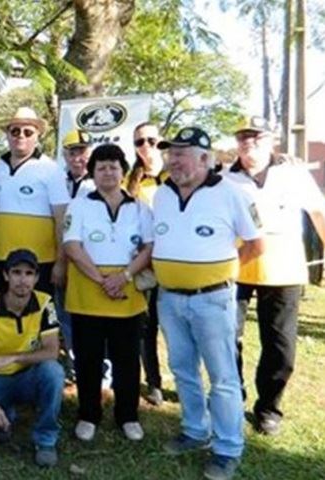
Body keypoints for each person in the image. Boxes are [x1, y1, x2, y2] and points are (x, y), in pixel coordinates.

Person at [152, 127, 264, 480]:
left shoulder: (231, 193)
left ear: (204, 158)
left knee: (223, 376)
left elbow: (255, 244)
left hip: (213, 299)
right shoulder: (162, 194)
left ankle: (228, 447)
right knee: (183, 369)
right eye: (171, 153)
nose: (174, 159)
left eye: (182, 153)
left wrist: (222, 276)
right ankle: (195, 430)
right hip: (169, 299)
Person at [222, 116, 325, 435]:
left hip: (284, 268)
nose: (248, 142)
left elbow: (318, 213)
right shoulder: (225, 178)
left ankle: (269, 406)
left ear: (271, 141)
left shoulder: (293, 174)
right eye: (242, 137)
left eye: (256, 137)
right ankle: (232, 399)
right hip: (236, 266)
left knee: (280, 345)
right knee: (228, 337)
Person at [64, 143, 153, 442]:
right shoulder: (79, 204)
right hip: (87, 293)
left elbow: (149, 248)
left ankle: (127, 415)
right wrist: (103, 280)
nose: (107, 172)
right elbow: (72, 247)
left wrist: (124, 276)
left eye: (113, 166)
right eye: (101, 167)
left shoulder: (140, 207)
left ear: (123, 171)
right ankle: (88, 414)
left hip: (127, 296)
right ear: (93, 172)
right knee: (87, 359)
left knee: (127, 359)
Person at [0, 249, 64, 468]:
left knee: (53, 371)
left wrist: (12, 358)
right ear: (6, 275)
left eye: (28, 273)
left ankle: (45, 440)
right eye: (16, 272)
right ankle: (4, 412)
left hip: (30, 376)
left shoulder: (45, 303)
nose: (22, 280)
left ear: (36, 278)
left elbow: (52, 351)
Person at [0, 107, 69, 295]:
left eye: (28, 131)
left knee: (39, 318)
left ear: (37, 136)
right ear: (7, 134)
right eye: (15, 131)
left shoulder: (51, 170)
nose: (20, 136)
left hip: (41, 263)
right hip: (1, 260)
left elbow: (62, 220)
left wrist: (61, 263)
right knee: (3, 317)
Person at [126, 121, 168, 407]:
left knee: (180, 328)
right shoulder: (131, 180)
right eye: (139, 142)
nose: (146, 147)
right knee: (146, 327)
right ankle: (153, 382)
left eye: (151, 140)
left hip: (180, 262)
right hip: (146, 265)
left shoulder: (178, 172)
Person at [54, 129, 94, 384]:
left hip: (91, 260)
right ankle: (74, 367)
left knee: (93, 317)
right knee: (66, 315)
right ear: (65, 155)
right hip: (62, 257)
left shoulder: (100, 181)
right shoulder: (58, 181)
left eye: (83, 151)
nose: (78, 157)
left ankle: (102, 371)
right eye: (73, 152)